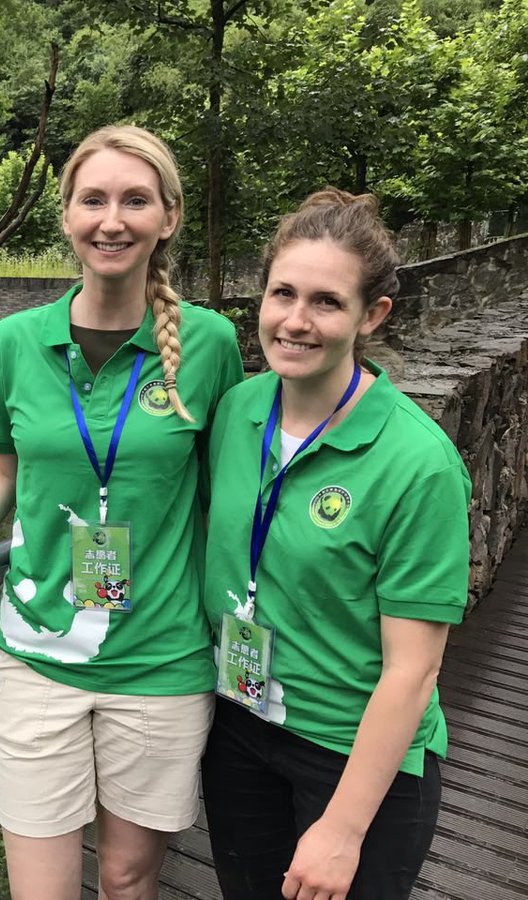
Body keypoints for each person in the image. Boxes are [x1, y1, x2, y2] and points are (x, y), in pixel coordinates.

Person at [0, 124, 243, 900]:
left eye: (135, 200)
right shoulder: (15, 343)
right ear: (66, 215)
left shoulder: (211, 343)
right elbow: (1, 469)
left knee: (126, 880)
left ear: (169, 217)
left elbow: (225, 492)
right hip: (35, 656)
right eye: (93, 199)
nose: (111, 219)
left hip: (162, 659)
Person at [200, 189, 472, 900]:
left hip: (354, 757)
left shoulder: (418, 463)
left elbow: (413, 672)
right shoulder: (238, 409)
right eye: (282, 293)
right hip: (240, 723)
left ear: (371, 315)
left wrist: (343, 828)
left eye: (325, 301)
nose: (295, 320)